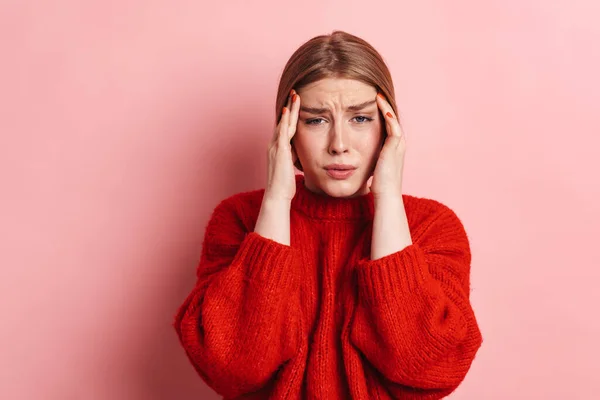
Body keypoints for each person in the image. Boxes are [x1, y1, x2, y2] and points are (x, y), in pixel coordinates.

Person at [173, 30, 482, 400]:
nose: (339, 144)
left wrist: (387, 202)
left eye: (361, 119)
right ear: (287, 131)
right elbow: (233, 367)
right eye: (316, 120)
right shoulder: (239, 219)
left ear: (388, 127)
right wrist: (275, 202)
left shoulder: (431, 226)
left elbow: (428, 367)